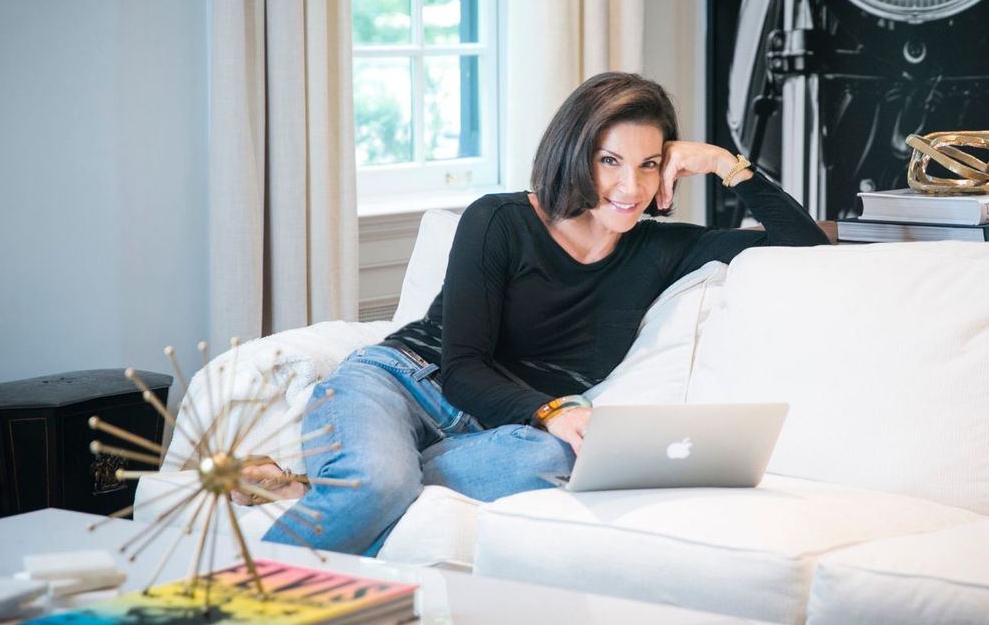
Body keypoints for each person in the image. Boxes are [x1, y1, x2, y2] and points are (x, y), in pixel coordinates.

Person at [238, 72, 830, 555]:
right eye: (610, 161)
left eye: (650, 164)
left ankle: (328, 484)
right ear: (575, 155)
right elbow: (463, 368)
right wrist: (550, 409)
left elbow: (806, 247)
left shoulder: (661, 249)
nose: (631, 186)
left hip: (507, 433)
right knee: (386, 481)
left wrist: (726, 163)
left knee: (550, 458)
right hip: (405, 381)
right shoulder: (499, 220)